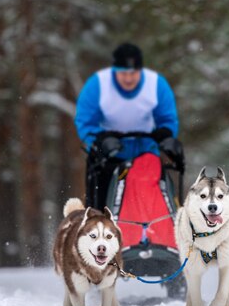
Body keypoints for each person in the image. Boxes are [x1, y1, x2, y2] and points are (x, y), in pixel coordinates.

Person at [74, 43, 183, 209]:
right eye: (123, 73)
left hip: (145, 156)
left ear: (140, 70)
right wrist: (100, 140)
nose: (128, 78)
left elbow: (167, 118)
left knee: (151, 209)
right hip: (107, 158)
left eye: (133, 73)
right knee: (102, 209)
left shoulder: (156, 85)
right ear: (114, 71)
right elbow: (85, 121)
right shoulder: (97, 85)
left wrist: (166, 136)